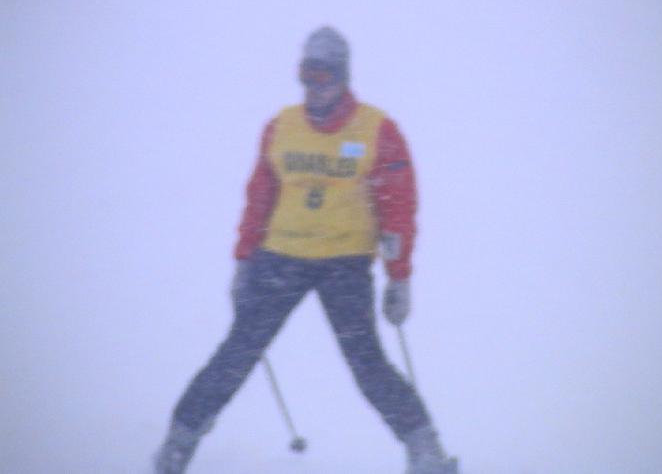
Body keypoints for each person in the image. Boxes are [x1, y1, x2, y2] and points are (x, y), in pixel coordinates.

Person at [154, 27, 458, 474]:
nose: (313, 88)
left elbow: (398, 205)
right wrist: (244, 260)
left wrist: (399, 276)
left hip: (344, 263)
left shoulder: (378, 130)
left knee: (366, 362)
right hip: (280, 258)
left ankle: (424, 449)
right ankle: (180, 440)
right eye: (306, 76)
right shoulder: (282, 127)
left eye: (323, 77)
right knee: (239, 350)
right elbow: (259, 196)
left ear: (343, 77)